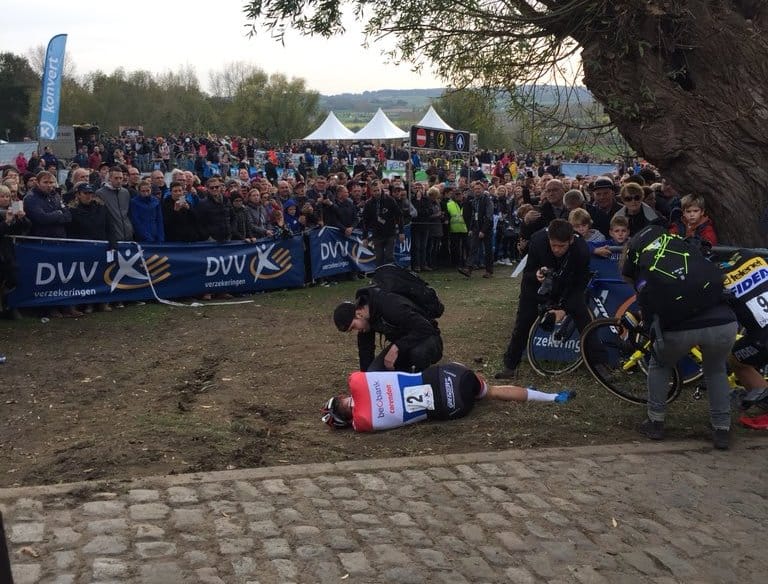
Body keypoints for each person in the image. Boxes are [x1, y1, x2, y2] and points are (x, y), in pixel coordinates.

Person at [623, 225, 736, 449]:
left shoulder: (646, 268)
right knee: (716, 370)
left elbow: (649, 312)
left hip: (680, 328)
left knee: (659, 364)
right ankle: (722, 427)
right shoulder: (686, 249)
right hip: (723, 322)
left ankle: (655, 421)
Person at [321, 361, 576, 431]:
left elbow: (355, 422)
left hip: (451, 408)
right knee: (492, 391)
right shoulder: (357, 381)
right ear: (344, 397)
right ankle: (551, 397)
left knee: (485, 392)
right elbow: (356, 380)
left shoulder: (362, 423)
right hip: (449, 376)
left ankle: (541, 396)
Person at [496, 219, 605, 379]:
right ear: (548, 239)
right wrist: (536, 274)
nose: (557, 250)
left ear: (571, 240)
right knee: (523, 322)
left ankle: (599, 363)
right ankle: (510, 365)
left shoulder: (581, 248)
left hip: (567, 286)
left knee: (584, 319)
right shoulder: (538, 240)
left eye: (562, 246)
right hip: (536, 287)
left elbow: (581, 282)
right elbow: (527, 273)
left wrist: (564, 307)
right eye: (553, 245)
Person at [333, 283, 443, 373]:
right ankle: (405, 371)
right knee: (373, 372)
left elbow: (425, 328)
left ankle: (422, 379)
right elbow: (365, 351)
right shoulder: (366, 320)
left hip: (428, 338)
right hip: (404, 343)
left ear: (358, 314)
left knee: (418, 353)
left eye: (353, 327)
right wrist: (366, 380)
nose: (356, 330)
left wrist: (396, 347)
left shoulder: (389, 305)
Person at [360, 180, 404, 266]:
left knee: (389, 256)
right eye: (374, 191)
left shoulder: (390, 200)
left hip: (390, 233)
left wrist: (401, 232)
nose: (376, 192)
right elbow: (365, 221)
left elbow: (399, 215)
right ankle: (380, 273)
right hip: (377, 234)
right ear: (371, 191)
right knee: (378, 257)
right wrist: (364, 237)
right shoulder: (369, 203)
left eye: (378, 190)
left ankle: (390, 273)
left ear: (381, 189)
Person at [459, 182, 495, 278]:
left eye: (479, 188)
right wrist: (471, 228)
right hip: (476, 228)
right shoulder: (474, 201)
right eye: (475, 189)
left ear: (483, 189)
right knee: (473, 248)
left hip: (486, 229)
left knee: (488, 250)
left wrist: (483, 230)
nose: (477, 190)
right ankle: (468, 269)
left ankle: (489, 271)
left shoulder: (487, 200)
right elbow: (473, 216)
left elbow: (489, 216)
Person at [96, 166, 134, 243]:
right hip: (112, 237)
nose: (119, 181)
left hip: (128, 234)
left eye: (120, 178)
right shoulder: (100, 193)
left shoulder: (125, 192)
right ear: (110, 178)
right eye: (116, 178)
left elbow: (128, 213)